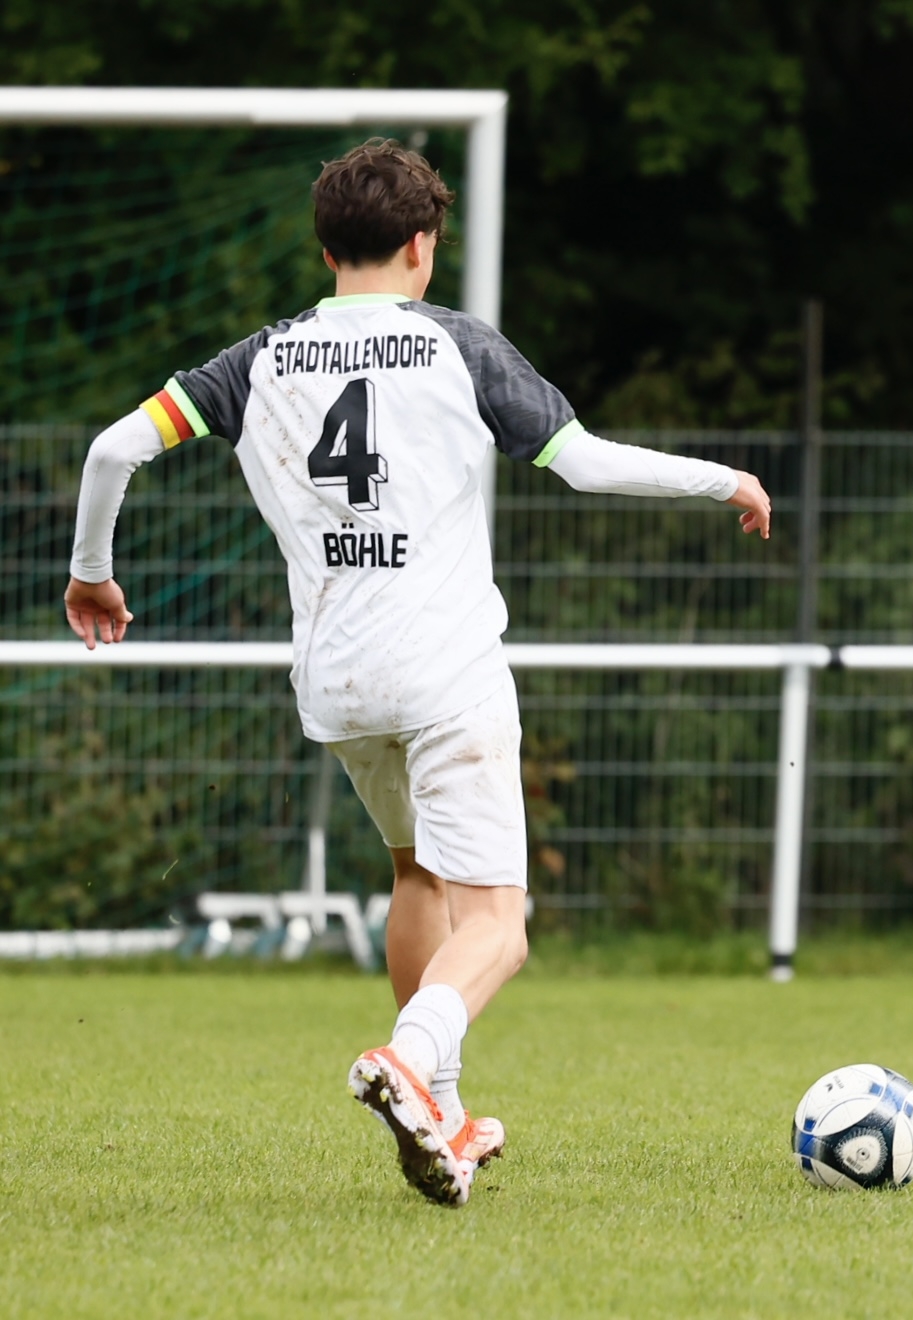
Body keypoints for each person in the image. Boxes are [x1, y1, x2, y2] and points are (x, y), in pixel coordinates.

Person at [64, 139, 773, 1207]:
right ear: (422, 243)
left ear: (326, 249)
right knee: (497, 926)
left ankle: (440, 1108)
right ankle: (409, 1056)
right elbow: (582, 464)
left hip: (340, 685)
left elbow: (113, 450)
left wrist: (92, 574)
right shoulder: (457, 346)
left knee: (416, 876)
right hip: (446, 674)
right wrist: (723, 480)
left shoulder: (257, 361)